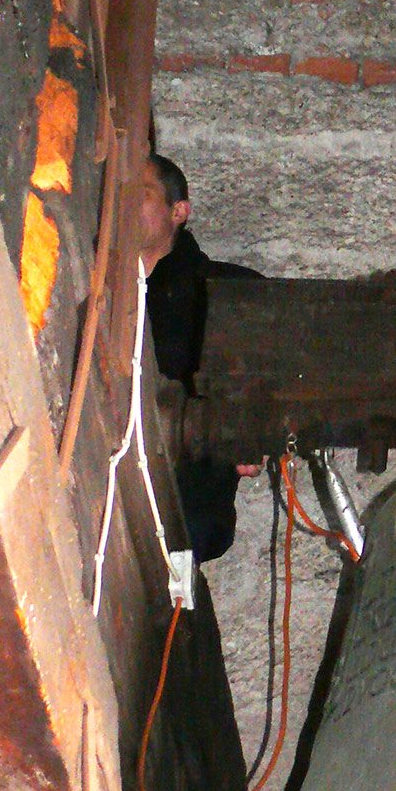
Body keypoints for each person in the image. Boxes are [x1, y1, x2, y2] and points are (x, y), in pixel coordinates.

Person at [141, 152, 260, 562]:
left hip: (185, 511)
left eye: (141, 193)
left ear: (179, 211)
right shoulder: (86, 287)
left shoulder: (233, 293)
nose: (125, 204)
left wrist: (256, 437)